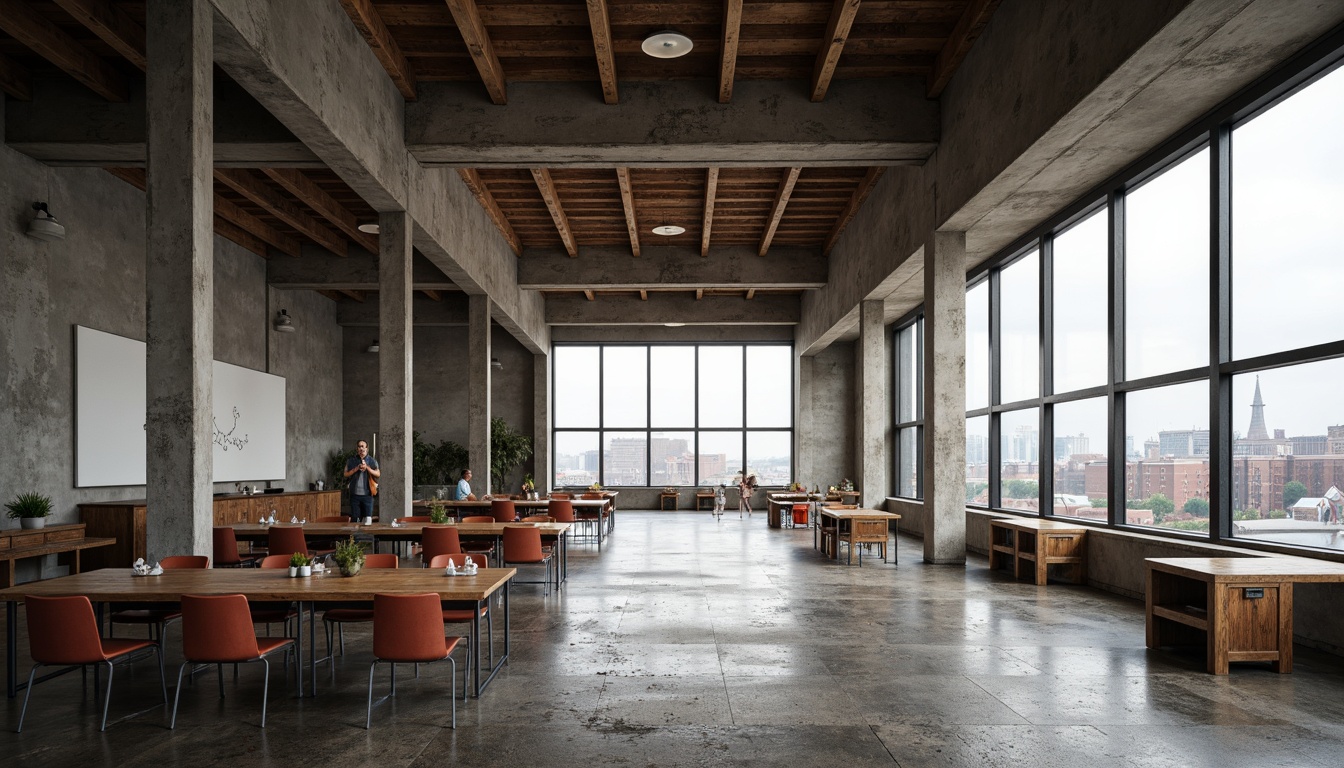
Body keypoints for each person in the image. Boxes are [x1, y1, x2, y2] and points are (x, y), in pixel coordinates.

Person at [343, 440, 380, 523]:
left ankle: (366, 536)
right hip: (354, 495)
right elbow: (345, 474)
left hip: (368, 495)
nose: (361, 448)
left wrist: (367, 468)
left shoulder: (372, 461)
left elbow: (378, 474)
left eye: (363, 446)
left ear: (367, 448)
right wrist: (356, 468)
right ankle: (355, 536)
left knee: (367, 520)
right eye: (359, 446)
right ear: (357, 449)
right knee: (355, 520)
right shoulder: (351, 460)